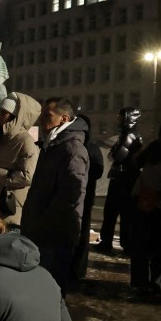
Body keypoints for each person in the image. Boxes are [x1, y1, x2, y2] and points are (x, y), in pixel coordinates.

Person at [21, 98, 90, 295]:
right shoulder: (52, 145)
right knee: (41, 287)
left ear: (64, 118)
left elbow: (71, 195)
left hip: (55, 233)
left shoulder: (72, 149)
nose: (41, 119)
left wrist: (42, 221)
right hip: (43, 230)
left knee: (51, 289)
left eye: (47, 116)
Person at [0, 92, 41, 228]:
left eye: (3, 112)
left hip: (7, 207)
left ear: (15, 117)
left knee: (4, 245)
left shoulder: (25, 141)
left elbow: (27, 176)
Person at [96, 107, 143, 254]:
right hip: (121, 178)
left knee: (122, 213)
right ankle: (111, 242)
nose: (119, 119)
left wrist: (114, 153)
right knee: (113, 212)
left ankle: (125, 245)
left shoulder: (130, 135)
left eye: (122, 116)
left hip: (125, 179)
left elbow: (117, 156)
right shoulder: (127, 134)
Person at [70, 113, 104, 280]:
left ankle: (77, 269)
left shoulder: (90, 147)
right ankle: (76, 268)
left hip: (85, 194)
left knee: (82, 232)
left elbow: (98, 171)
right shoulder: (89, 146)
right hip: (82, 194)